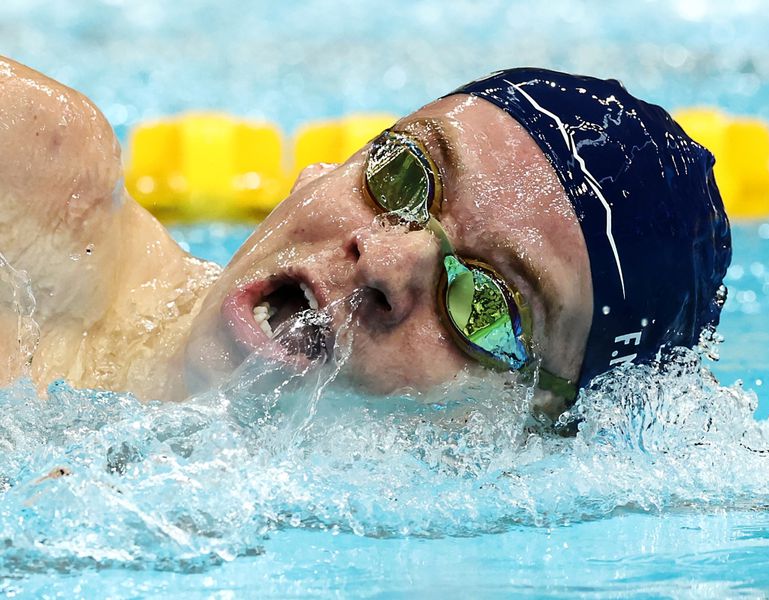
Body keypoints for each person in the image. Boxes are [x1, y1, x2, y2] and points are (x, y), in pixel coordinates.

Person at [0, 57, 731, 420]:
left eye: (486, 304)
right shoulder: (39, 191)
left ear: (535, 426)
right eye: (405, 173)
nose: (386, 257)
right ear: (320, 172)